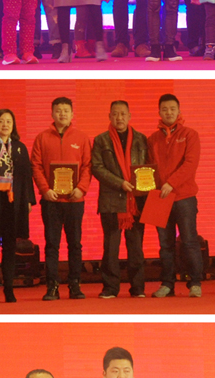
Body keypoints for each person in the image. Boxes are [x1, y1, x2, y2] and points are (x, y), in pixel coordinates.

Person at [31, 96, 92, 302]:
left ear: (72, 114)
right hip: (51, 200)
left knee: (75, 244)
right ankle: (52, 286)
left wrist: (81, 189)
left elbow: (87, 166)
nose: (62, 114)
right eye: (58, 110)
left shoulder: (81, 138)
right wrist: (45, 190)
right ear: (52, 113)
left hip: (75, 201)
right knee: (52, 244)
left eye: (66, 110)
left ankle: (75, 284)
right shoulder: (42, 138)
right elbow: (36, 166)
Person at [91, 100, 149, 300]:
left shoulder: (141, 139)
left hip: (136, 201)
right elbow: (97, 168)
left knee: (136, 247)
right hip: (111, 200)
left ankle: (138, 287)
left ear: (129, 116)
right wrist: (120, 183)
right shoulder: (101, 140)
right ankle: (110, 288)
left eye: (123, 114)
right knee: (110, 247)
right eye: (115, 114)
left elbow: (148, 167)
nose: (119, 118)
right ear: (109, 116)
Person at [147, 93, 203, 299]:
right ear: (159, 112)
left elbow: (190, 164)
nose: (168, 112)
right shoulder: (152, 139)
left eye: (172, 109)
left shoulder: (190, 134)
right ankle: (167, 284)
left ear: (179, 111)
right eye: (164, 109)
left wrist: (171, 183)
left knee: (189, 241)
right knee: (165, 244)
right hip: (159, 197)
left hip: (184, 196)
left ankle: (195, 282)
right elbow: (148, 169)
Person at [0, 108, 34, 304]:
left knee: (10, 246)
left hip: (14, 202)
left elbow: (27, 177)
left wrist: (28, 200)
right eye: (1, 121)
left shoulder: (20, 148)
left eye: (9, 121)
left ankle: (9, 289)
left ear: (13, 125)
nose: (5, 125)